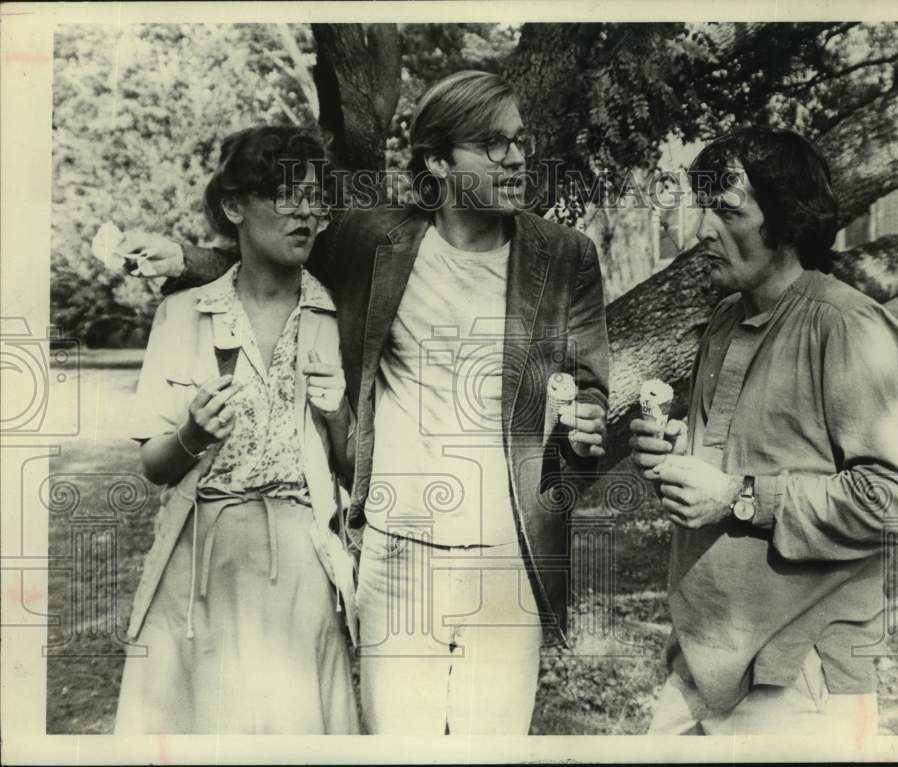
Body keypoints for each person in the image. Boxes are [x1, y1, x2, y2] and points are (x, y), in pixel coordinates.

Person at [125, 70, 610, 735]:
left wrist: (585, 419)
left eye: (521, 141)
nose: (518, 157)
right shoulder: (372, 239)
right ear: (438, 160)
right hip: (397, 552)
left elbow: (588, 385)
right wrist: (181, 258)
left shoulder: (565, 256)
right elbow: (273, 254)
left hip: (508, 559)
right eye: (494, 145)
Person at [629, 127, 898, 736]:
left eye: (727, 210)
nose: (701, 232)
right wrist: (670, 454)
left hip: (799, 676)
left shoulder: (846, 326)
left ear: (787, 220)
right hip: (702, 662)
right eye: (703, 209)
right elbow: (744, 457)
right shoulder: (723, 320)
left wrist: (738, 494)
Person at [115, 126, 360, 734]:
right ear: (234, 207)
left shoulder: (341, 318)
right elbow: (154, 466)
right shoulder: (181, 314)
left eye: (315, 197)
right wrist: (193, 435)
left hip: (304, 563)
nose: (305, 211)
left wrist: (336, 419)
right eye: (285, 194)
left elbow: (360, 471)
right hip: (200, 560)